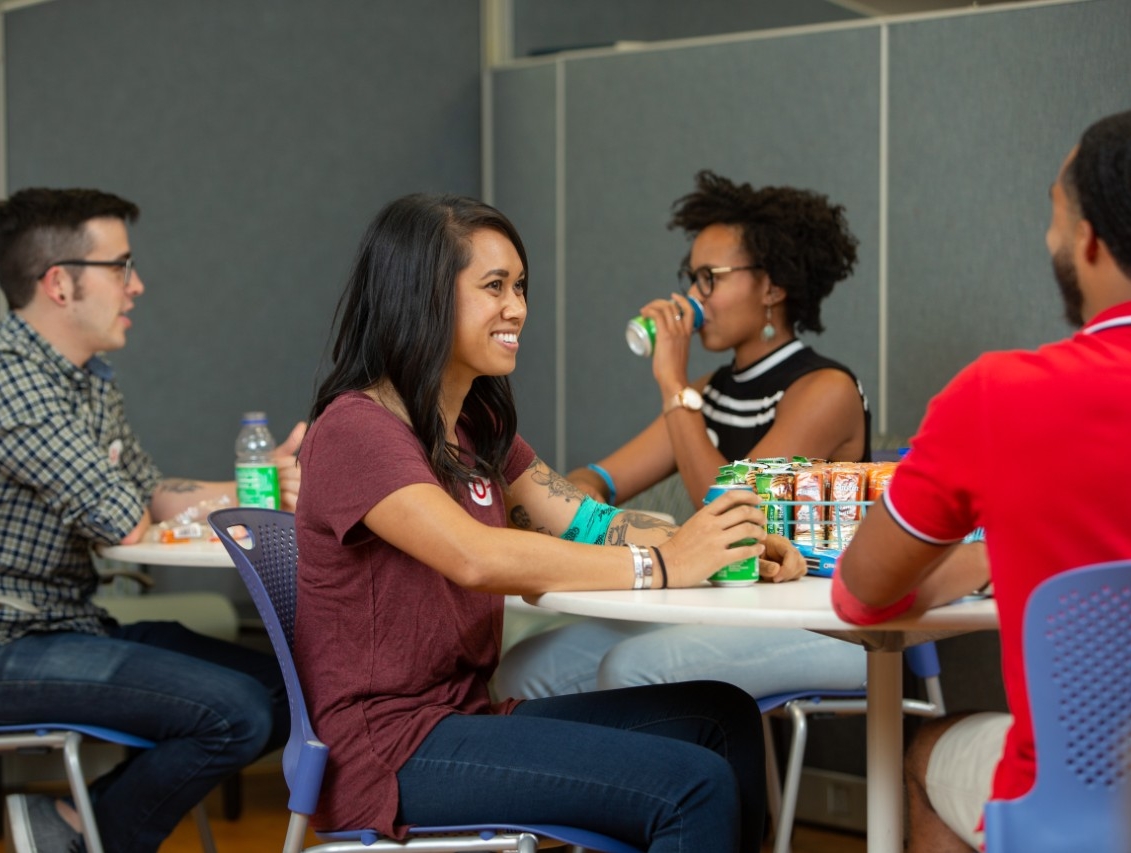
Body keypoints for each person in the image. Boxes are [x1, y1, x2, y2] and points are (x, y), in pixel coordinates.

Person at [294, 192, 806, 851]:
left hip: (461, 717)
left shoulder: (475, 427)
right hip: (388, 749)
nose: (517, 308)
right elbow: (474, 556)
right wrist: (664, 564)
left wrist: (732, 539)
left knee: (722, 716)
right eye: (494, 286)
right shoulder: (357, 429)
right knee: (692, 785)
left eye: (520, 286)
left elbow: (584, 520)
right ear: (422, 295)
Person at [834, 109, 1131, 852]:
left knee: (925, 754)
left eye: (1055, 215)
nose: (1049, 238)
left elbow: (861, 594)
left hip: (1085, 808)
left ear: (1088, 240)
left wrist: (977, 560)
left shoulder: (1000, 397)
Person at [0, 188, 304, 853]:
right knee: (235, 711)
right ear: (60, 283)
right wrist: (139, 502)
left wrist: (260, 485)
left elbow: (149, 492)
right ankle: (85, 835)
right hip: (13, 642)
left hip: (71, 626)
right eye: (121, 267)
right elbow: (122, 519)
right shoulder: (10, 378)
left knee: (294, 686)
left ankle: (71, 824)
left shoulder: (87, 379)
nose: (136, 285)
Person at [493, 171, 871, 701]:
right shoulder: (704, 396)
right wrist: (600, 521)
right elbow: (593, 480)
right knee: (526, 669)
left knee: (633, 668)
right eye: (692, 278)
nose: (693, 297)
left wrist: (673, 383)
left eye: (710, 278)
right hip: (724, 606)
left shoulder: (825, 390)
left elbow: (732, 513)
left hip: (828, 620)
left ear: (772, 287)